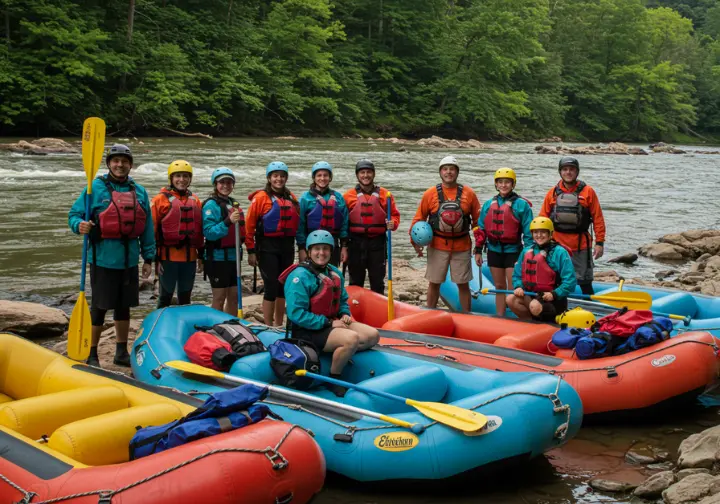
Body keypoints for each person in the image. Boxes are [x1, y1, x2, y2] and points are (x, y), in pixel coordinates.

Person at [68, 144, 155, 367]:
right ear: (109, 164)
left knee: (123, 307)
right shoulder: (94, 188)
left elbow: (146, 228)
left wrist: (148, 257)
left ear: (130, 165)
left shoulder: (140, 191)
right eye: (116, 161)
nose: (120, 165)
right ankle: (92, 352)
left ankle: (121, 351)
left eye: (124, 161)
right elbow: (74, 215)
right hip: (102, 257)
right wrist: (80, 225)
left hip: (129, 259)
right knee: (99, 307)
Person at [281, 230, 379, 397]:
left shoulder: (334, 272)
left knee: (373, 335)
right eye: (317, 249)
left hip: (332, 323)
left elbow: (341, 300)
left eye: (325, 249)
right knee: (352, 339)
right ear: (309, 251)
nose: (321, 253)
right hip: (307, 330)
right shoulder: (299, 276)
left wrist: (344, 314)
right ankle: (333, 379)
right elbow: (296, 314)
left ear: (331, 251)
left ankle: (339, 350)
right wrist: (329, 323)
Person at [409, 155, 482, 312]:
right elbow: (418, 219)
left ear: (457, 172)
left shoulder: (469, 194)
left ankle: (466, 316)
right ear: (440, 172)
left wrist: (479, 248)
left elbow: (478, 223)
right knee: (434, 282)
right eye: (445, 169)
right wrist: (415, 243)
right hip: (437, 245)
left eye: (452, 169)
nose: (449, 172)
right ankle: (429, 313)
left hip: (462, 246)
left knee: (463, 283)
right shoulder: (430, 194)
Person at [539, 156, 606, 295]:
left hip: (580, 244)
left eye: (571, 169)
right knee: (555, 280)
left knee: (585, 282)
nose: (568, 172)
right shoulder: (552, 193)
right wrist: (539, 242)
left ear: (577, 172)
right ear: (560, 172)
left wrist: (600, 242)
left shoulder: (588, 192)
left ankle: (590, 308)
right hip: (557, 245)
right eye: (565, 169)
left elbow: (598, 218)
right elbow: (542, 219)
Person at [246, 161, 300, 326]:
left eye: (282, 176)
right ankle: (268, 324)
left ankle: (278, 323)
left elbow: (297, 223)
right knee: (270, 286)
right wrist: (251, 250)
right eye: (275, 176)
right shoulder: (260, 198)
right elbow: (249, 226)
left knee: (282, 286)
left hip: (287, 246)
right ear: (269, 178)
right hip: (267, 247)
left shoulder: (291, 197)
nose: (279, 179)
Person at [475, 168, 534, 316]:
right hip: (494, 250)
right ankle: (500, 316)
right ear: (496, 184)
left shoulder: (522, 205)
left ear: (513, 184)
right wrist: (477, 250)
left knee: (514, 286)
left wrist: (529, 253)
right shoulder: (489, 204)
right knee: (499, 286)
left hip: (513, 251)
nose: (503, 185)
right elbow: (481, 229)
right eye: (500, 182)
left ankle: (518, 315)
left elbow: (528, 232)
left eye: (507, 182)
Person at [151, 160, 204, 308]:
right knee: (165, 297)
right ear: (171, 179)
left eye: (186, 176)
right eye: (178, 176)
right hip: (167, 257)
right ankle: (160, 325)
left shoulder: (195, 200)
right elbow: (152, 230)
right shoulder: (160, 200)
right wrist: (154, 258)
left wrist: (201, 254)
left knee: (185, 297)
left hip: (190, 257)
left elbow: (199, 231)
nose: (182, 180)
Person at [342, 159, 400, 294]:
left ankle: (378, 311)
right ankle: (355, 310)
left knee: (377, 281)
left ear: (373, 174)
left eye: (369, 172)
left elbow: (395, 216)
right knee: (355, 280)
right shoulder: (348, 196)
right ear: (357, 175)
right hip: (355, 242)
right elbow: (343, 222)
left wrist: (393, 223)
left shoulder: (386, 195)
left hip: (377, 243)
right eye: (362, 172)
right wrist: (343, 245)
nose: (365, 175)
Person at [505, 217, 577, 322]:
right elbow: (517, 275)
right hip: (532, 294)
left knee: (535, 305)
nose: (539, 235)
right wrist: (519, 286)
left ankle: (547, 325)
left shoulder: (560, 252)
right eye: (536, 232)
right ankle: (531, 324)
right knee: (510, 299)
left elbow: (570, 281)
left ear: (550, 234)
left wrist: (554, 294)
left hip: (554, 299)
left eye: (543, 232)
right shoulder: (526, 251)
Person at [203, 167, 245, 315]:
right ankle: (216, 327)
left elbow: (242, 232)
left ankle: (232, 327)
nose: (226, 185)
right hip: (217, 258)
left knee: (233, 298)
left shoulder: (234, 204)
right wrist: (227, 222)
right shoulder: (210, 205)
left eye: (229, 182)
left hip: (234, 257)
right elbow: (209, 233)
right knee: (219, 298)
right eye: (222, 182)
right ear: (215, 184)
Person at [296, 161, 349, 267]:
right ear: (314, 178)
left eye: (326, 175)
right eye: (319, 175)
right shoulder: (305, 198)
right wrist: (301, 249)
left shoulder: (338, 197)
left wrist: (344, 247)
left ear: (330, 178)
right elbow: (300, 225)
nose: (322, 178)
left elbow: (344, 224)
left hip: (332, 243)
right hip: (311, 243)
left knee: (332, 275)